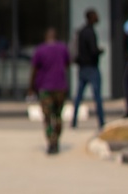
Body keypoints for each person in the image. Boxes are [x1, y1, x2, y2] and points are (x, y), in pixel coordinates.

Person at [28, 27, 70, 155]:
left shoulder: (40, 50)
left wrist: (31, 87)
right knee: (58, 115)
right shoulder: (63, 48)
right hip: (60, 87)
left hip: (45, 88)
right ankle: (56, 139)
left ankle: (51, 141)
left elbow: (34, 69)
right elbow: (67, 64)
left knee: (47, 117)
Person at [70, 8, 105, 129]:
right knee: (97, 96)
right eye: (95, 15)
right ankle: (101, 121)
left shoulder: (81, 32)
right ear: (91, 17)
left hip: (82, 68)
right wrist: (100, 51)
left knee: (78, 96)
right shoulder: (90, 32)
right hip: (91, 67)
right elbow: (93, 50)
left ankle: (74, 121)